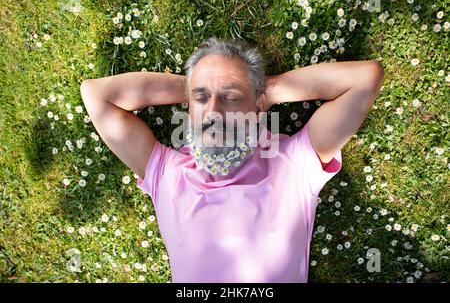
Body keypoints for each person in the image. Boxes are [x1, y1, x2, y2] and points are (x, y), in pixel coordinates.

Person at [80, 36, 384, 282]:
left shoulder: (293, 165)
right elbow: (95, 94)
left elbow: (365, 78)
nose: (213, 112)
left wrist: (266, 91)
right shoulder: (169, 175)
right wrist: (193, 89)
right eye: (202, 99)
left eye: (230, 97)